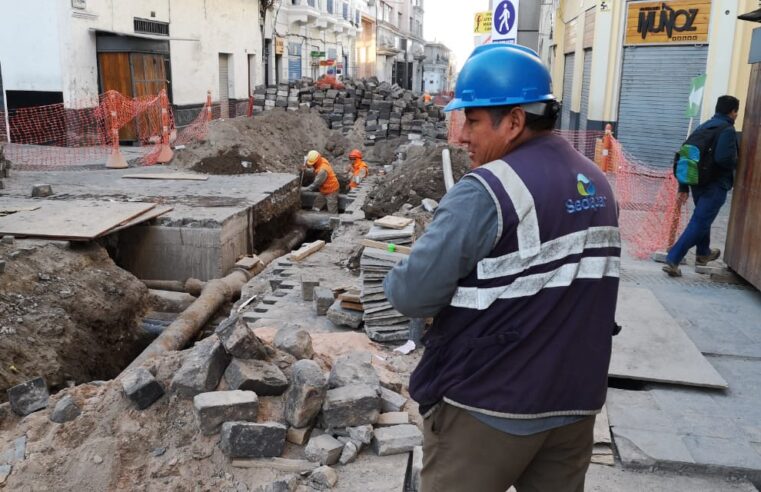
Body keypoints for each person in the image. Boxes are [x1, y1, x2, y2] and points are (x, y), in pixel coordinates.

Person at [383, 44, 621, 492]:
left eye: (472, 120)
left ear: (513, 121)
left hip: (490, 405)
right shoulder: (598, 183)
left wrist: (402, 273)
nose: (462, 136)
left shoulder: (487, 190)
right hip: (575, 402)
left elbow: (412, 293)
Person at [663, 95, 740, 277]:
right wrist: (737, 161)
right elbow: (723, 159)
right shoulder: (727, 129)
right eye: (736, 111)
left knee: (702, 218)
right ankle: (673, 258)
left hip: (697, 181)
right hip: (715, 185)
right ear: (733, 112)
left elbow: (686, 154)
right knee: (700, 221)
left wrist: (684, 186)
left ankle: (703, 253)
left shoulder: (703, 126)